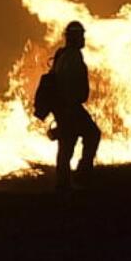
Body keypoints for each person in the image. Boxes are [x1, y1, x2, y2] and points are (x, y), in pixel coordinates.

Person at [51, 21, 101, 189]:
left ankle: (63, 183)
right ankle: (81, 174)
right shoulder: (72, 57)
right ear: (74, 37)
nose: (83, 39)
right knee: (92, 134)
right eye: (81, 35)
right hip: (70, 108)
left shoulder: (63, 55)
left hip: (64, 108)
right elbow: (71, 85)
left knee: (66, 146)